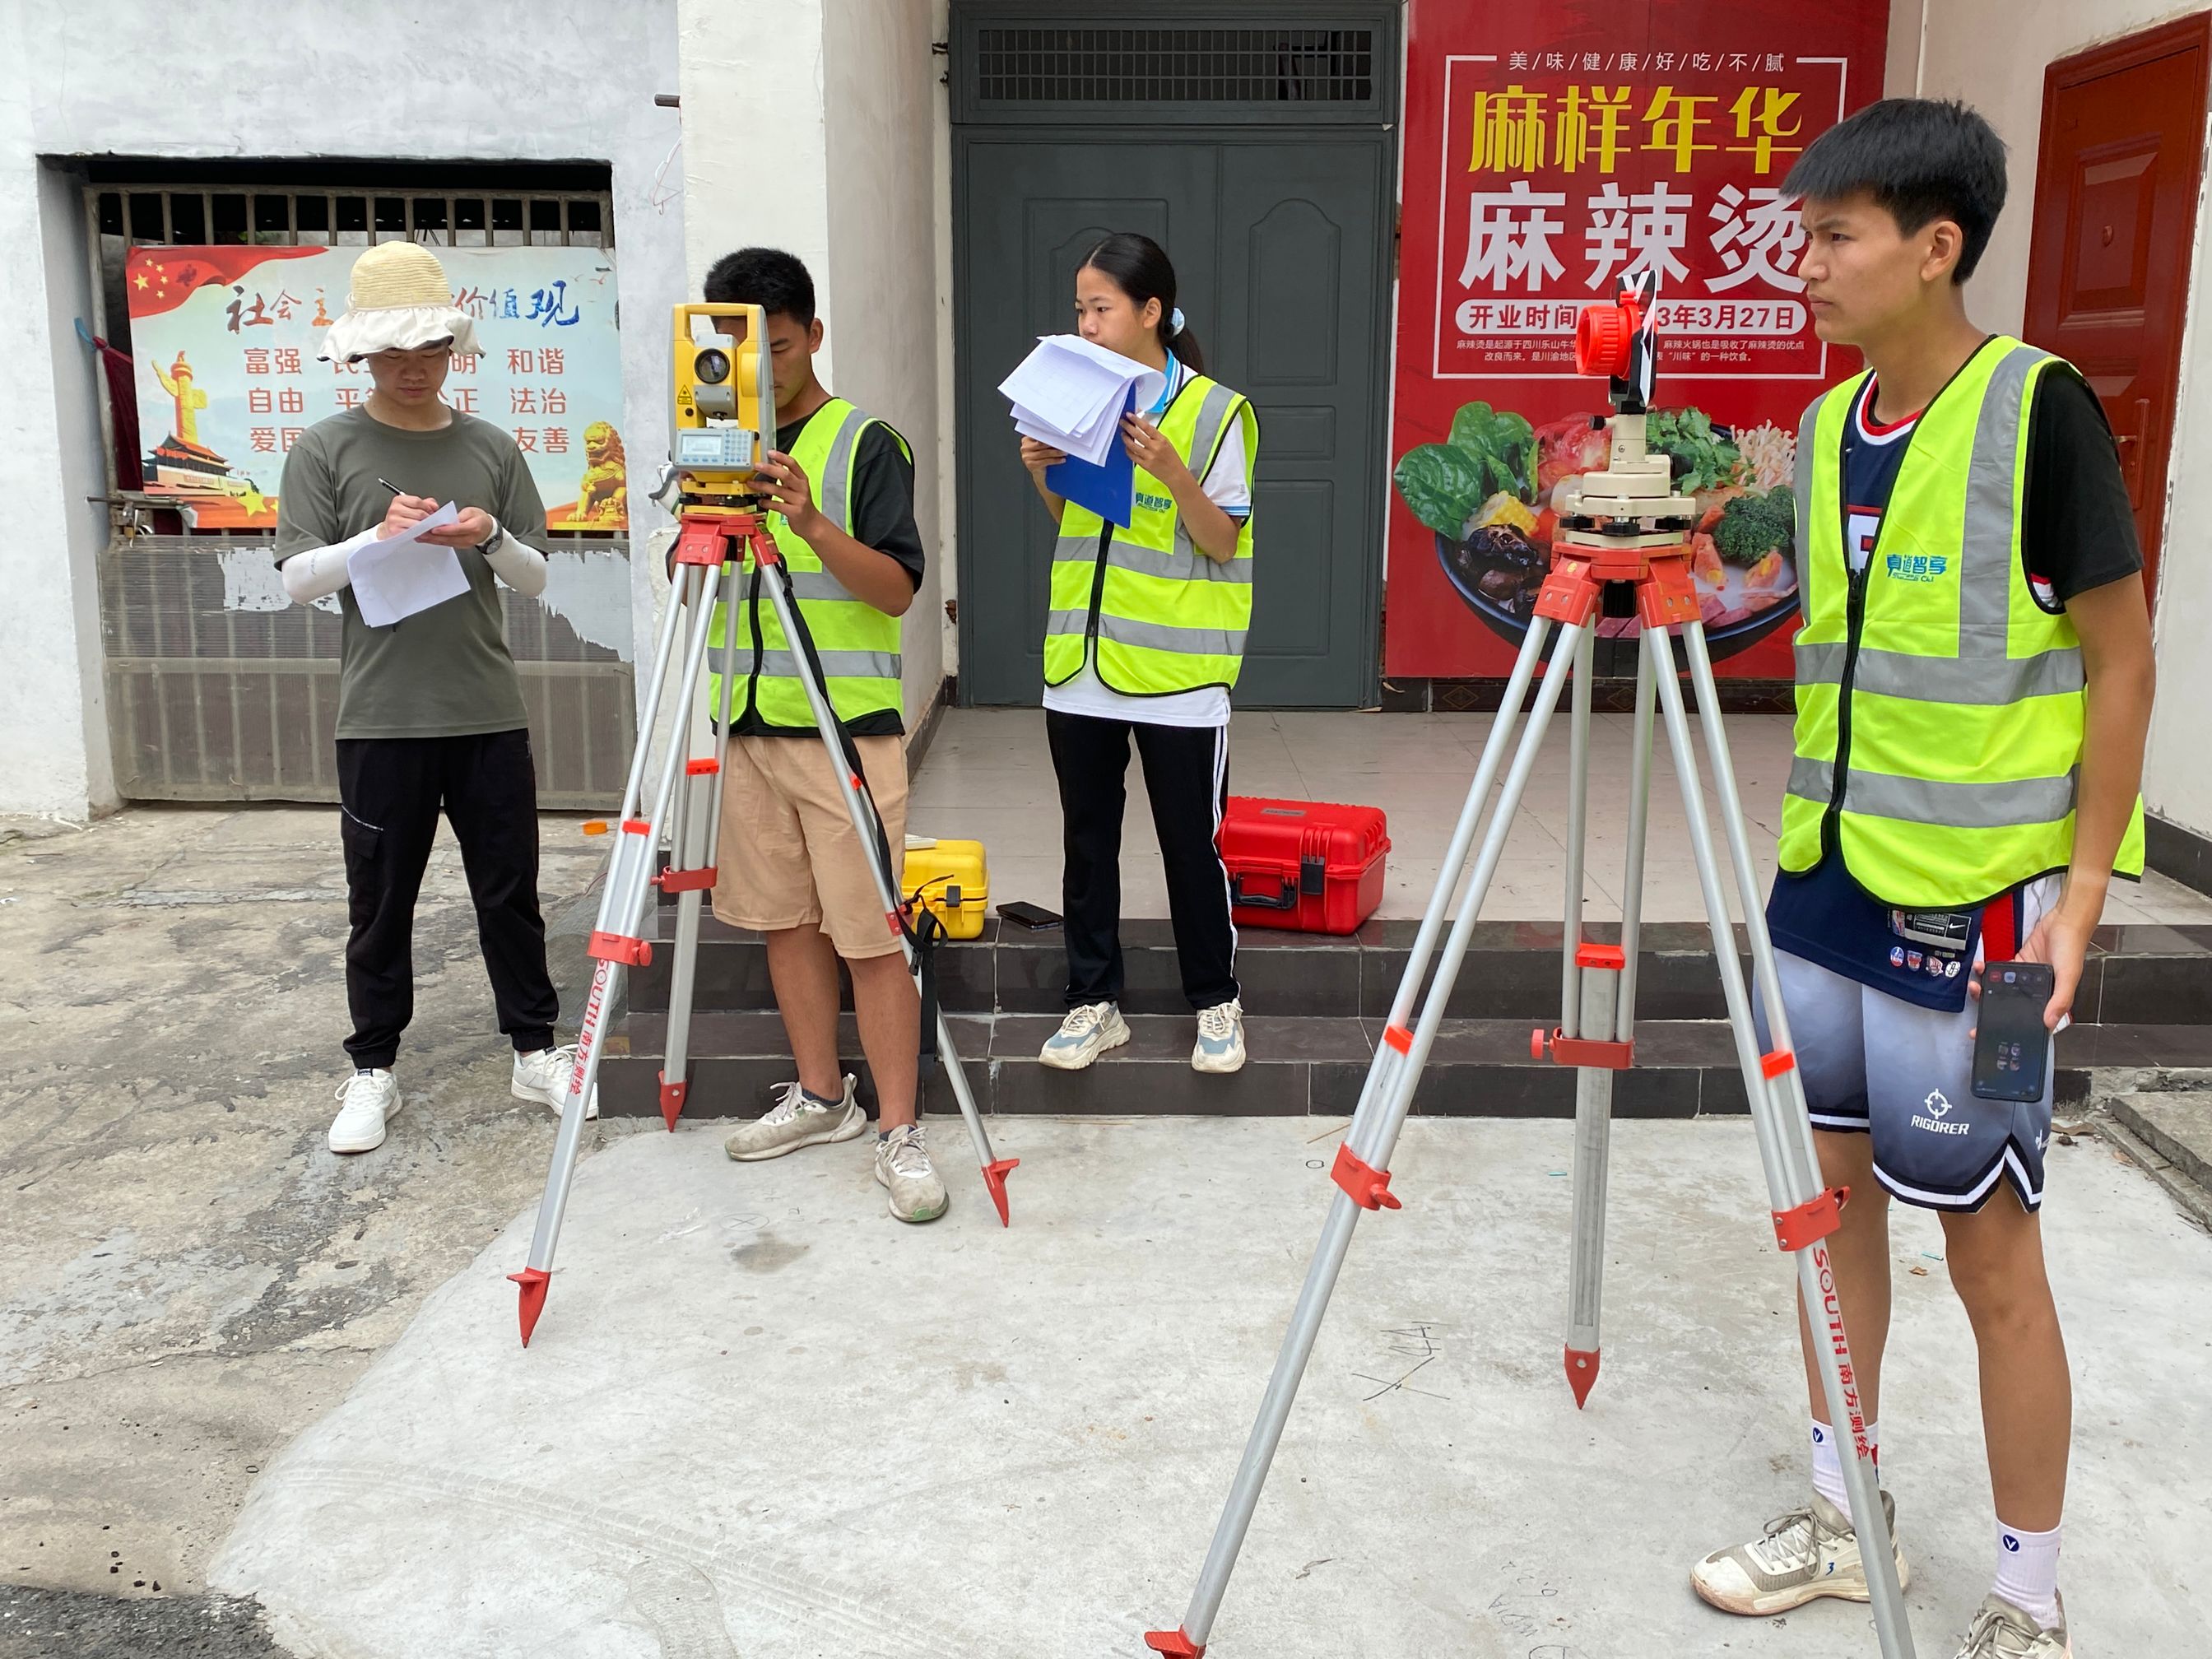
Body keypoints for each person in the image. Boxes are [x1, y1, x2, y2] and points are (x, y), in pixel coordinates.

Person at [1688, 100, 2154, 1659]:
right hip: (1821, 888)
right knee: (1823, 1208)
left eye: (1832, 236)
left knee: (1988, 1245)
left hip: (1988, 926)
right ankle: (1842, 1509)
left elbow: (2121, 662)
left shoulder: (2039, 413)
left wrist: (2081, 895)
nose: (1802, 265)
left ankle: (2028, 1590)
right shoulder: (1826, 430)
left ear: (1932, 246)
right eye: (1803, 233)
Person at [274, 242, 594, 1155]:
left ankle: (535, 1048)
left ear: (454, 350)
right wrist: (375, 537)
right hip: (380, 718)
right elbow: (297, 579)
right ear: (362, 357)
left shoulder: (490, 446)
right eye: (393, 355)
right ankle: (373, 1068)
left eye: (429, 352)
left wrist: (489, 533)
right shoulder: (326, 447)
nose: (412, 370)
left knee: (511, 892)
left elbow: (535, 578)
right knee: (380, 902)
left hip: (487, 709)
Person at [699, 247, 946, 1225]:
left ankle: (900, 1130)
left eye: (783, 345)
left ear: (813, 334)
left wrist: (804, 520)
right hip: (751, 723)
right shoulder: (713, 441)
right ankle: (820, 1095)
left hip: (842, 733)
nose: (764, 367)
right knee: (783, 924)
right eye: (741, 349)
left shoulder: (862, 444)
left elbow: (896, 590)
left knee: (872, 937)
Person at [1018, 233, 1260, 1076]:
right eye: (1079, 308)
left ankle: (1216, 1002)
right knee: (1088, 843)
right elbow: (1082, 531)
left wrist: (1173, 470)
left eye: (1099, 308)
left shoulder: (1219, 412)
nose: (1083, 323)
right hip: (1081, 669)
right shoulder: (1077, 401)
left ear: (1151, 312)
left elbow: (1223, 540)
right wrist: (1044, 475)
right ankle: (1094, 1004)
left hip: (1179, 678)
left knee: (1191, 844)